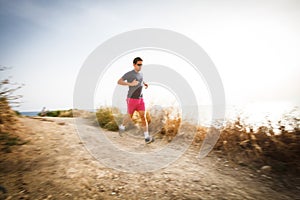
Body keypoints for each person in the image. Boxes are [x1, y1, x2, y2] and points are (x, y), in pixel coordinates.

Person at [117, 57, 154, 144]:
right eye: (138, 64)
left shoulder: (141, 74)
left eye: (141, 64)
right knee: (129, 116)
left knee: (143, 117)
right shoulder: (129, 74)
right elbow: (119, 81)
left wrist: (144, 83)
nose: (140, 66)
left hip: (140, 99)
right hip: (132, 99)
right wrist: (130, 84)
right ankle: (122, 127)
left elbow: (140, 79)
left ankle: (146, 137)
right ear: (134, 65)